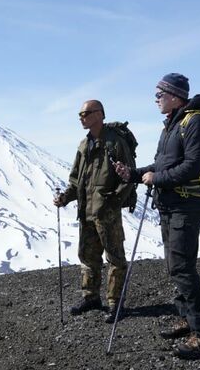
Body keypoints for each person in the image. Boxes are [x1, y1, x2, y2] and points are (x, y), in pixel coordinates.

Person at [114, 73, 200, 358]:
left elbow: (194, 166)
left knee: (182, 267)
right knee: (175, 265)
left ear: (174, 95)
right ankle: (187, 317)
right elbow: (162, 164)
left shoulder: (194, 122)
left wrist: (156, 178)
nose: (156, 100)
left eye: (159, 95)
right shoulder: (172, 125)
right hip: (171, 205)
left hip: (186, 205)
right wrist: (134, 174)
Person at [54, 100, 135, 323]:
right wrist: (65, 198)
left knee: (115, 257)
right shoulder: (84, 145)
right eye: (80, 114)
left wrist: (115, 201)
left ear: (99, 114)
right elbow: (75, 179)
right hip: (86, 211)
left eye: (86, 113)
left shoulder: (115, 142)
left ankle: (115, 303)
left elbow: (129, 176)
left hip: (106, 211)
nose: (81, 117)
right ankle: (90, 297)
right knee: (88, 256)